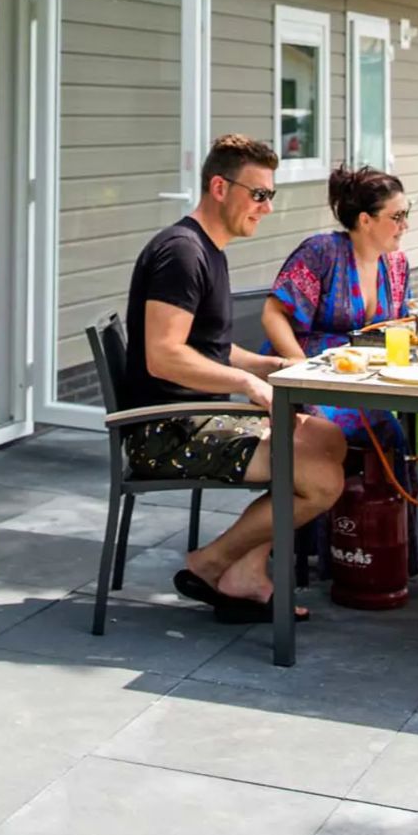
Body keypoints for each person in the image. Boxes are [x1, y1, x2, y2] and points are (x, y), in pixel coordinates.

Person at [121, 134, 348, 622]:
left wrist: (268, 367)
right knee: (322, 480)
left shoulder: (209, 250)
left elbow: (210, 348)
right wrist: (247, 385)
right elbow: (163, 356)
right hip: (166, 432)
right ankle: (212, 563)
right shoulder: (182, 254)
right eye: (259, 194)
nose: (267, 207)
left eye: (271, 195)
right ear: (220, 187)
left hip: (198, 416)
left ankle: (245, 571)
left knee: (330, 437)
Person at [261, 166, 412, 451]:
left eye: (407, 214)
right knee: (340, 434)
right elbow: (273, 313)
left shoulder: (396, 265)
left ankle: (387, 484)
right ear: (365, 220)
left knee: (391, 438)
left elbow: (401, 326)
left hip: (363, 382)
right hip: (311, 380)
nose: (405, 225)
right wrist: (300, 367)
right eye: (397, 217)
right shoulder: (321, 252)